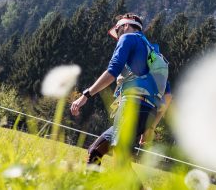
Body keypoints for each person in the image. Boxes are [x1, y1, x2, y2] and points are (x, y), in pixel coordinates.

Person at [70, 13, 170, 167]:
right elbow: (168, 96)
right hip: (147, 112)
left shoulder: (128, 38)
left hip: (131, 106)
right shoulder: (154, 54)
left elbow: (112, 71)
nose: (117, 37)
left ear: (125, 26)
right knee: (95, 152)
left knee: (121, 165)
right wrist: (150, 126)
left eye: (117, 31)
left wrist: (85, 95)